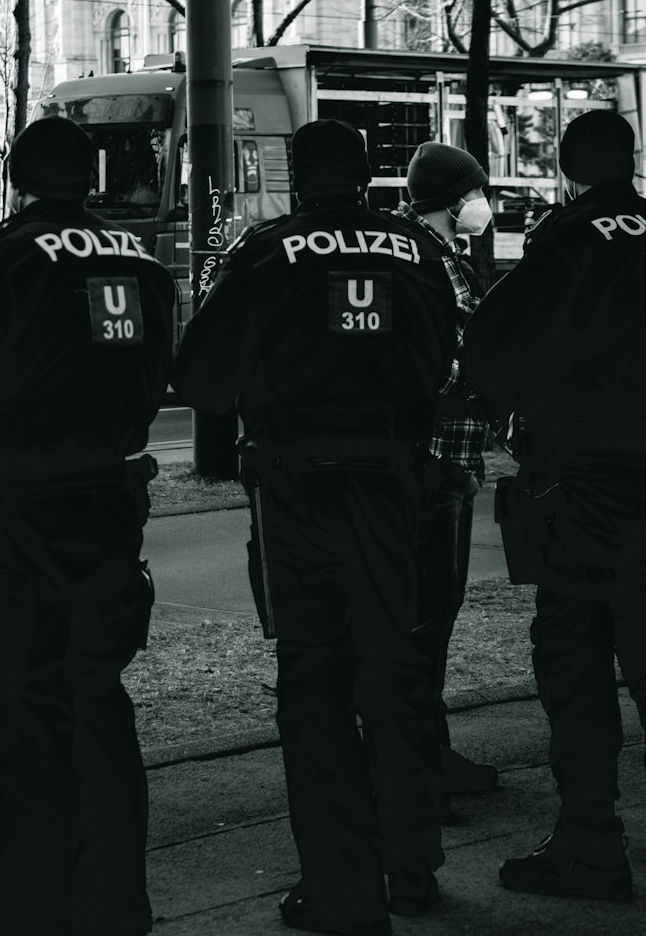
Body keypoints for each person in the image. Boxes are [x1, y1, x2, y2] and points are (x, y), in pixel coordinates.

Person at [0, 116, 175, 936]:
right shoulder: (144, 265)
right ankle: (115, 904)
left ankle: (30, 911)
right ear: (91, 179)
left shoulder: (5, 261)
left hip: (23, 519)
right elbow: (161, 379)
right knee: (100, 710)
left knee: (23, 728)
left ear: (15, 174)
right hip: (113, 512)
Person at [173, 120, 457, 936]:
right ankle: (412, 864)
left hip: (300, 490)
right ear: (367, 175)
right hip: (392, 484)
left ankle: (340, 886)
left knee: (316, 684)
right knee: (396, 671)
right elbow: (444, 354)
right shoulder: (415, 250)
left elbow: (201, 374)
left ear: (297, 176)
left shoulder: (270, 251)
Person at [462, 109, 646, 902]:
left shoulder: (566, 240)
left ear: (568, 169)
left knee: (575, 667)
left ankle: (590, 847)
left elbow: (493, 353)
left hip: (587, 490)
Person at [393, 142, 500, 798]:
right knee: (431, 614)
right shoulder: (439, 264)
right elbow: (469, 353)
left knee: (413, 615)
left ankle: (419, 752)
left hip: (414, 462)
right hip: (443, 464)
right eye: (475, 193)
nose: (481, 204)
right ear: (455, 200)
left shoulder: (403, 252)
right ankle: (424, 759)